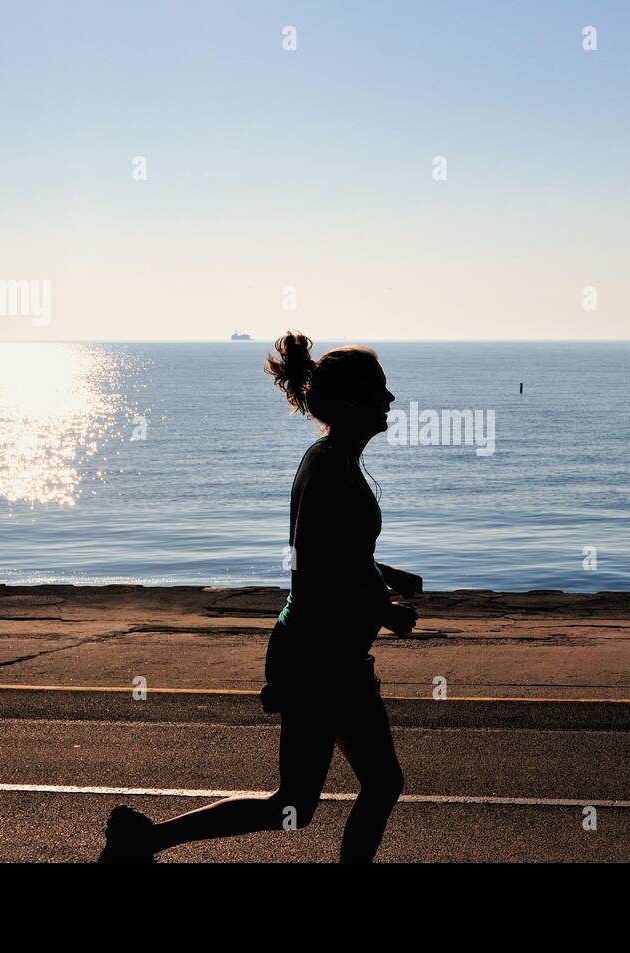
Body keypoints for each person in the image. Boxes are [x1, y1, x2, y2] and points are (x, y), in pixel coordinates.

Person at [99, 332, 421, 862]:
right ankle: (143, 841)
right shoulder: (325, 465)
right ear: (350, 401)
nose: (390, 401)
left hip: (338, 657)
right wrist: (379, 608)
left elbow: (339, 551)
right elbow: (313, 567)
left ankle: (142, 841)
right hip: (315, 657)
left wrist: (384, 574)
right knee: (293, 805)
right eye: (380, 390)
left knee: (380, 785)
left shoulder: (339, 460)